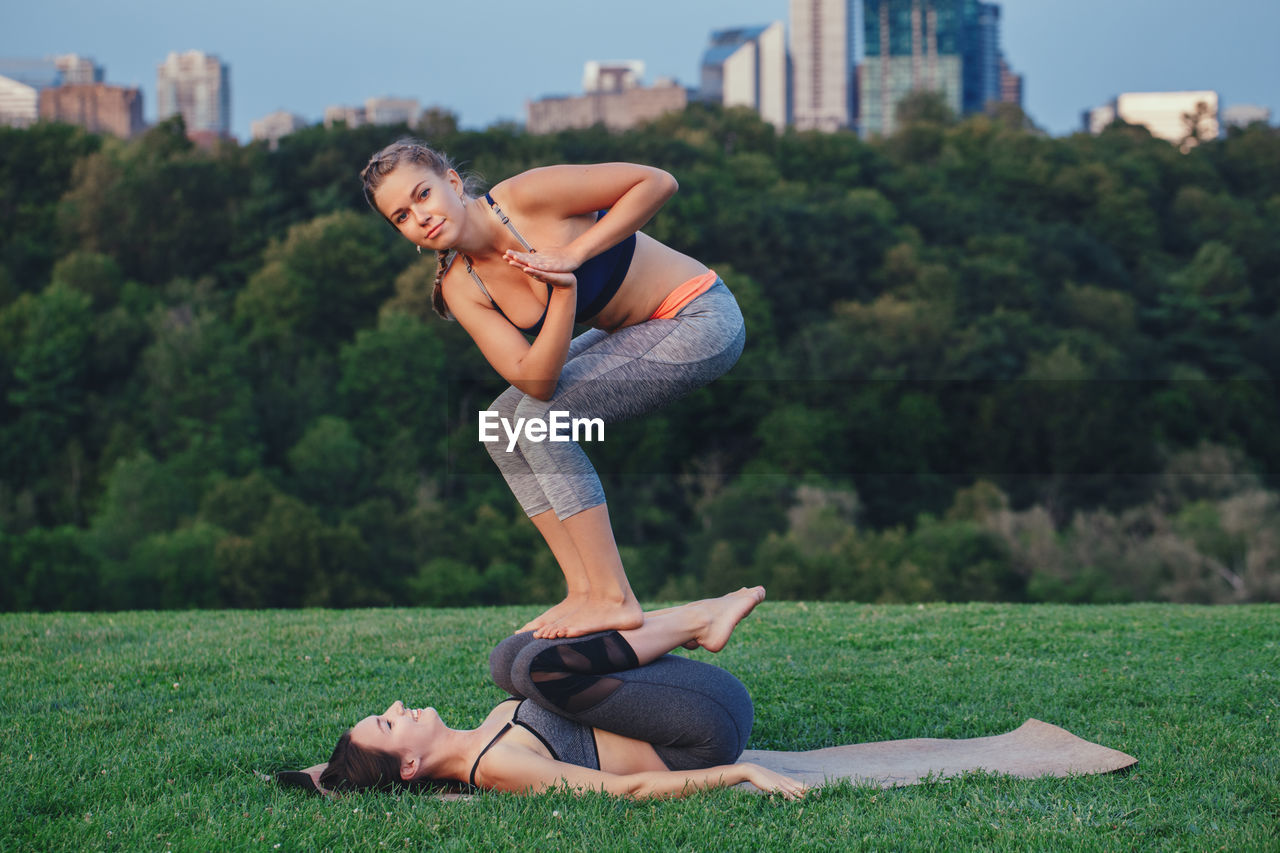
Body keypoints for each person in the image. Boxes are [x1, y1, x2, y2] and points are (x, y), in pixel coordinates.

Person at [360, 141, 746, 639]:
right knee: (501, 426)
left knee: (539, 426)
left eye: (423, 194)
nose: (421, 216)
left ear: (452, 183)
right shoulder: (462, 285)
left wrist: (575, 254)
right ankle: (584, 590)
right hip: (632, 332)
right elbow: (535, 380)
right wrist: (564, 291)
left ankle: (613, 596)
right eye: (402, 216)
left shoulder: (526, 196)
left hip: (700, 318)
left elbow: (658, 182)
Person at [314, 587, 808, 799]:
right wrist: (739, 772)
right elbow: (625, 790)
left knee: (508, 662)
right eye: (388, 723)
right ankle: (699, 616)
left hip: (696, 702)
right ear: (407, 767)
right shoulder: (496, 767)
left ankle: (694, 614)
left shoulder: (483, 737)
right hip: (703, 733)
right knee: (538, 667)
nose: (397, 708)